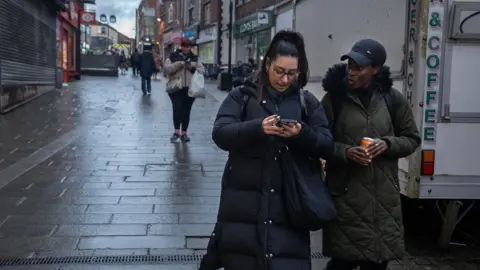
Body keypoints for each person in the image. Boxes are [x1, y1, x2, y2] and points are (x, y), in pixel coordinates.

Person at [199, 30, 333, 270]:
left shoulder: (307, 102)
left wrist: (301, 134)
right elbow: (221, 133)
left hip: (290, 208)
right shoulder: (241, 96)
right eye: (279, 71)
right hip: (243, 206)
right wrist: (257, 128)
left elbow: (326, 144)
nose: (284, 79)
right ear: (267, 64)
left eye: (292, 73)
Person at [320, 39, 421, 270]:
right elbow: (319, 141)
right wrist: (345, 152)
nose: (352, 72)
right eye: (350, 65)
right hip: (346, 197)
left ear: (375, 69)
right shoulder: (333, 99)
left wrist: (387, 144)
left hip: (381, 200)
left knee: (376, 263)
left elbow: (412, 138)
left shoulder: (392, 99)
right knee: (341, 262)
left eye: (359, 67)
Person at [164, 38, 204, 142]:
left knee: (186, 110)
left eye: (188, 46)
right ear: (181, 46)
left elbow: (202, 71)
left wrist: (191, 67)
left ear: (190, 47)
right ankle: (176, 132)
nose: (186, 48)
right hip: (176, 88)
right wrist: (180, 64)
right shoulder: (173, 56)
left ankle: (184, 133)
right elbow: (167, 69)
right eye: (184, 46)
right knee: (177, 108)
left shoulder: (195, 58)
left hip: (190, 89)